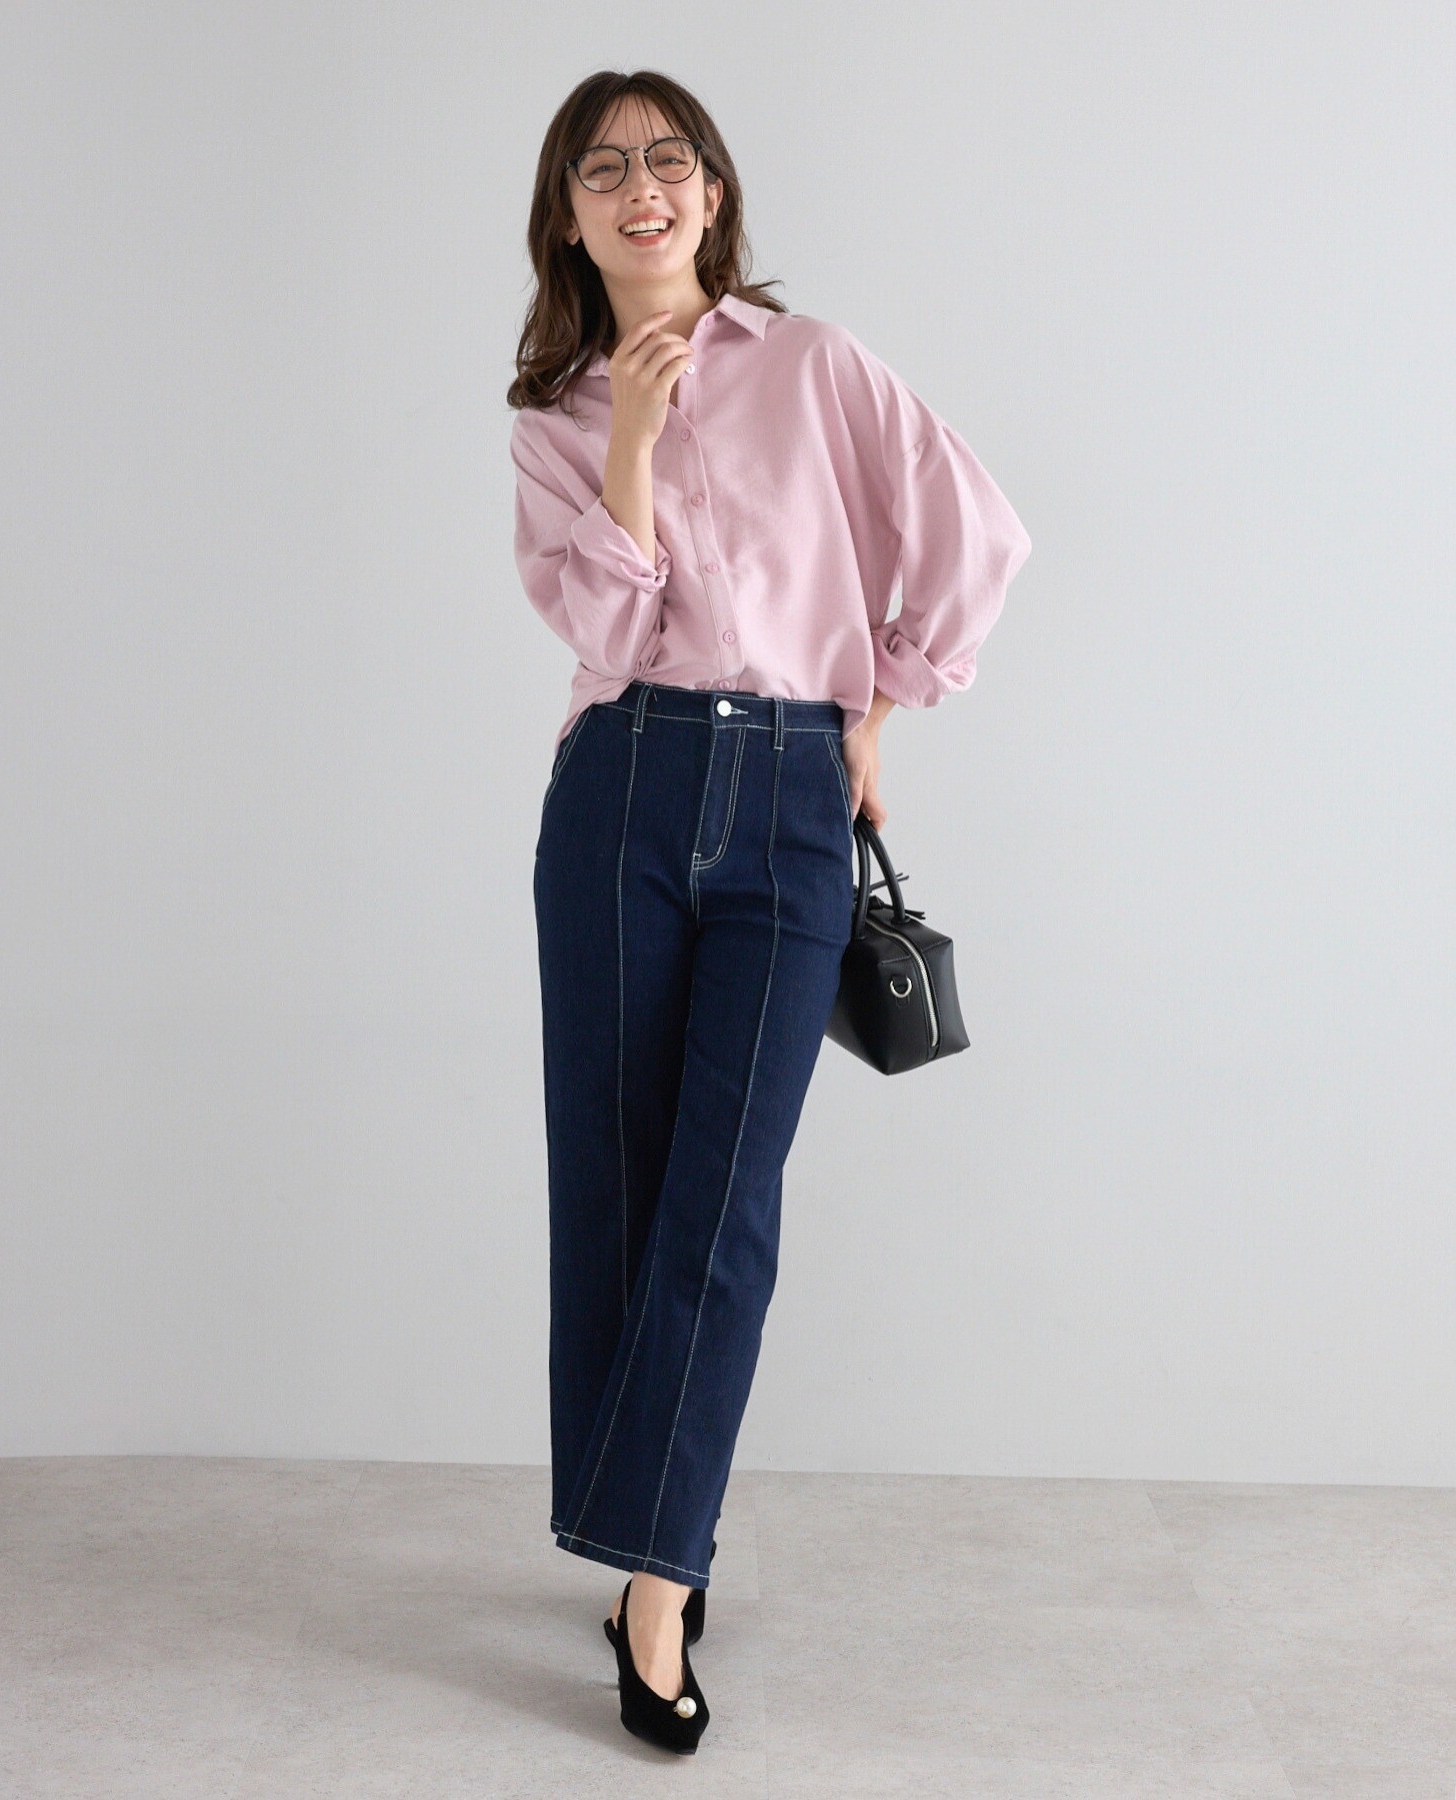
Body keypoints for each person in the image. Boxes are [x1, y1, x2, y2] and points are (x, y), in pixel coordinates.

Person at [507, 69, 1032, 1754]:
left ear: (713, 194)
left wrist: (881, 705)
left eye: (669, 160)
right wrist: (633, 436)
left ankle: (657, 1578)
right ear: (570, 215)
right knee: (616, 1183)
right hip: (625, 789)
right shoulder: (554, 415)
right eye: (605, 169)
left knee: (723, 1200)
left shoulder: (814, 366)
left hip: (797, 792)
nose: (641, 188)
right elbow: (606, 624)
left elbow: (976, 534)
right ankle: (645, 1548)